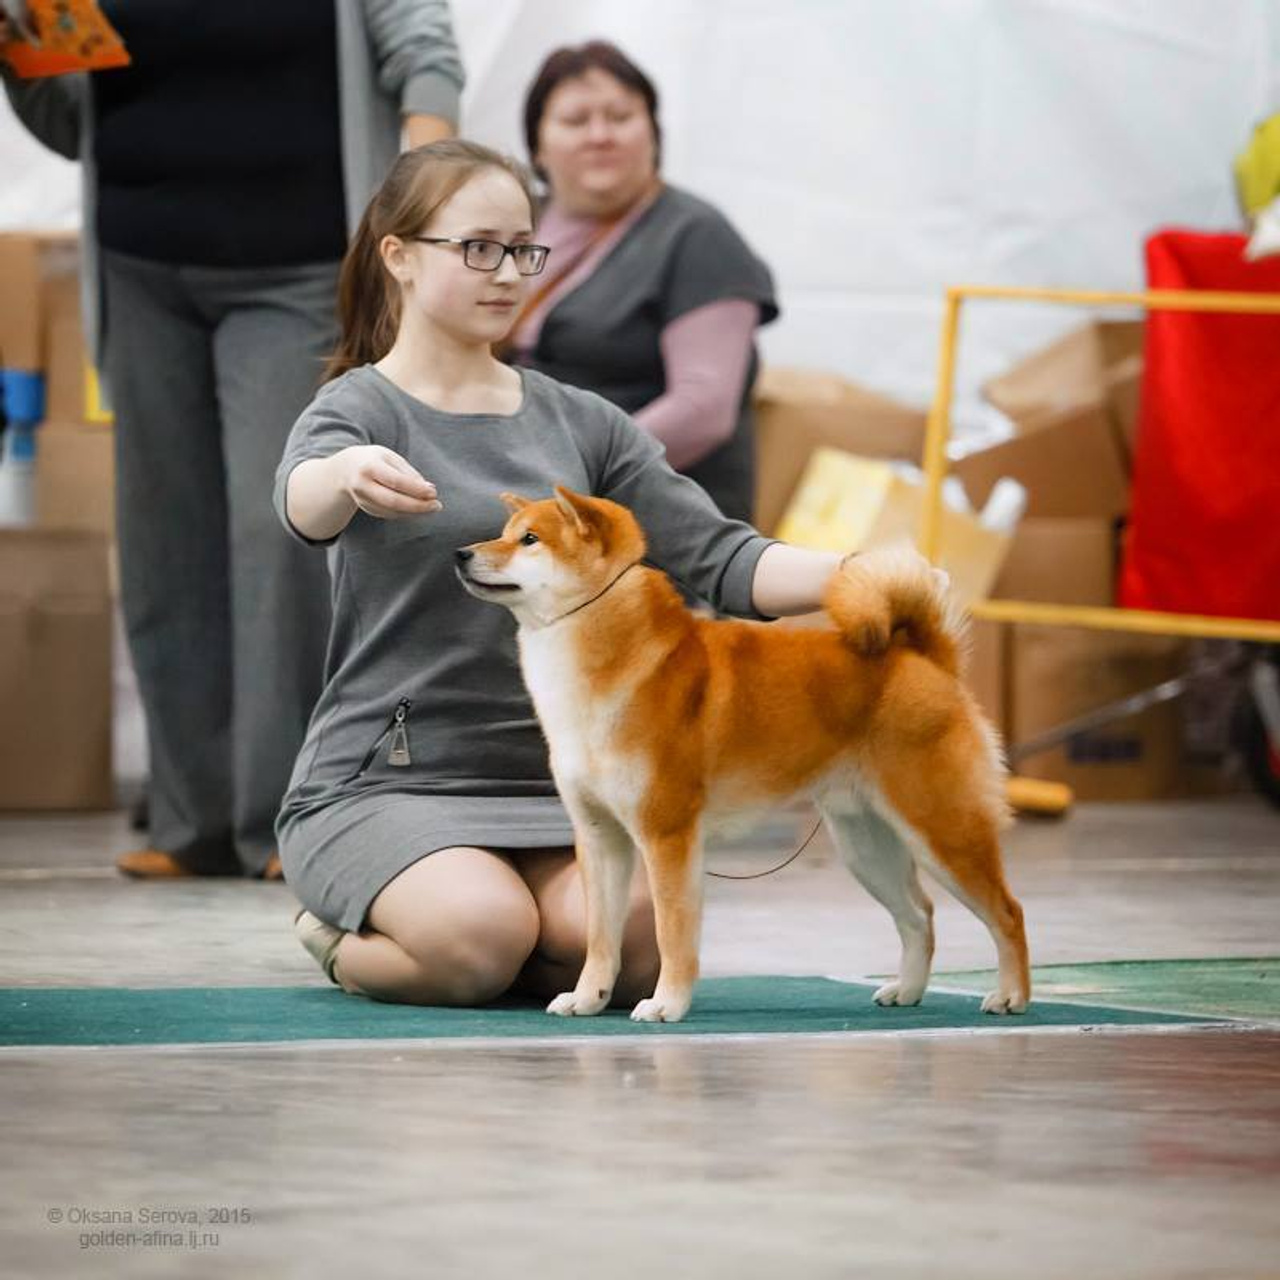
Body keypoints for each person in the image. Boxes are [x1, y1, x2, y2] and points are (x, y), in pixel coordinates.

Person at [277, 139, 848, 1008]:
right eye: (477, 247)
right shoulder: (359, 407)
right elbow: (301, 499)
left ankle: (518, 949)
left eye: (522, 248)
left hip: (564, 785)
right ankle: (337, 934)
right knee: (476, 941)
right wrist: (347, 474)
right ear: (397, 256)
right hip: (390, 781)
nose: (507, 272)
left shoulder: (583, 424)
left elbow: (723, 556)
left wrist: (856, 574)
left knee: (646, 949)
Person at [1, 2, 463, 879]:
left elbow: (425, 57)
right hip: (138, 265)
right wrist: (15, 44)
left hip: (296, 267)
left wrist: (421, 207)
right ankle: (191, 822)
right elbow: (71, 119)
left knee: (280, 534)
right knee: (162, 542)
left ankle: (291, 817)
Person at [508, 40, 777, 525]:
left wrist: (573, 477)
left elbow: (704, 409)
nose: (600, 135)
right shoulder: (514, 223)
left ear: (653, 133)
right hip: (533, 511)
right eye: (575, 121)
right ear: (537, 146)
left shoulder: (696, 234)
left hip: (654, 529)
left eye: (621, 116)